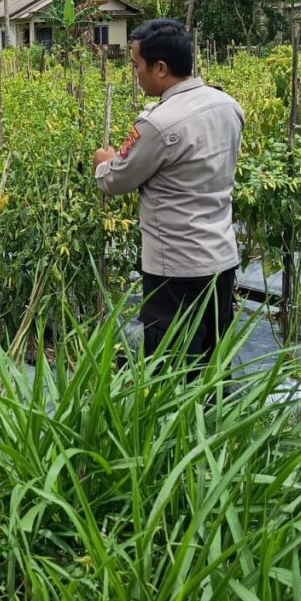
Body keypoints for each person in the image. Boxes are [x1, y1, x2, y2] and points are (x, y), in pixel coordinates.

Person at [94, 18, 244, 365]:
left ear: (160, 68)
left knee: (171, 362)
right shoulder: (227, 106)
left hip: (175, 268)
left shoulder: (159, 123)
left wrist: (105, 162)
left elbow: (117, 179)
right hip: (221, 258)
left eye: (136, 65)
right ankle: (213, 418)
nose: (135, 74)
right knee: (212, 354)